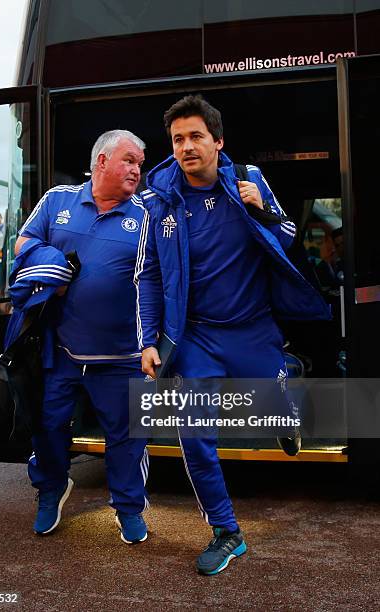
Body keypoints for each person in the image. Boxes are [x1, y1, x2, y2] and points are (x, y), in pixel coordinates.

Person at [135, 94, 331, 575]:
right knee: (194, 433)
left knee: (270, 395)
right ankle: (227, 531)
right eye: (178, 139)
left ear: (218, 142)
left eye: (196, 136)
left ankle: (286, 413)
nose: (186, 147)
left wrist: (262, 209)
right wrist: (148, 339)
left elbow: (287, 235)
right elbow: (149, 276)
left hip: (251, 329)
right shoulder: (159, 198)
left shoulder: (249, 180)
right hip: (195, 337)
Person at [14, 129, 149, 543]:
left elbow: (165, 280)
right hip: (62, 351)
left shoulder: (147, 215)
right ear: (102, 161)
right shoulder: (58, 200)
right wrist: (53, 265)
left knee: (126, 441)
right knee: (49, 427)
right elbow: (23, 242)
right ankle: (51, 488)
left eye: (140, 164)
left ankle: (128, 509)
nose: (136, 170)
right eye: (129, 160)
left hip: (123, 355)